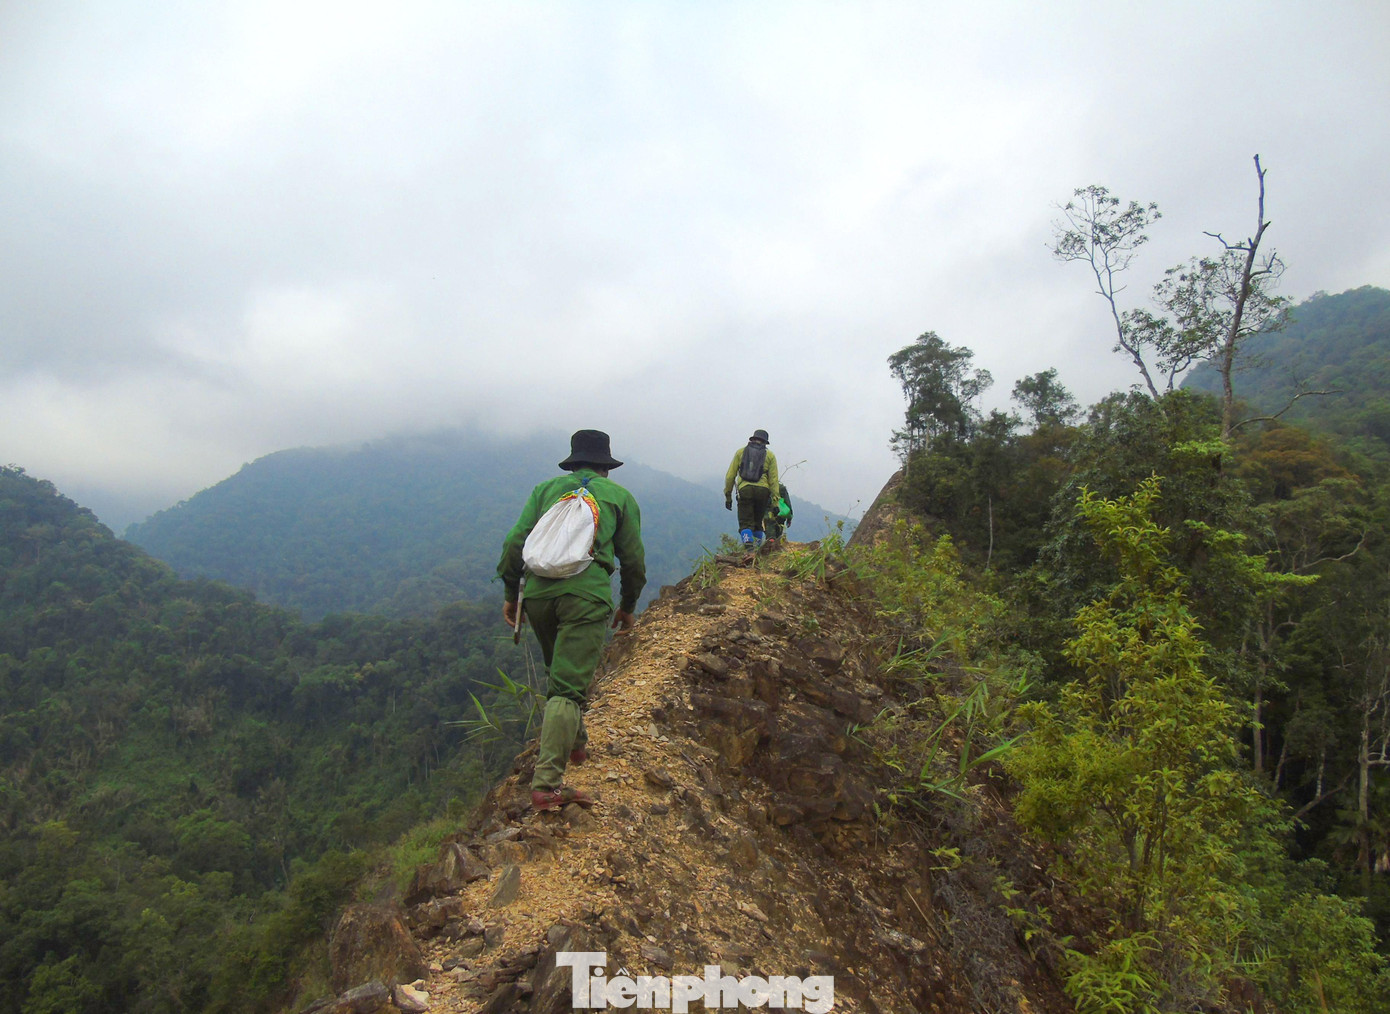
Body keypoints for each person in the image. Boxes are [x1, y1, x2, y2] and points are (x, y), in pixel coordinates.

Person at [498, 430, 646, 811]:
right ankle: (547, 785)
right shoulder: (619, 497)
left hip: (539, 595)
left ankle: (576, 746)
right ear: (606, 467)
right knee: (566, 688)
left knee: (558, 672)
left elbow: (516, 542)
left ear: (573, 461)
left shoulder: (545, 490)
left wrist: (511, 594)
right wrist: (628, 605)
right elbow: (633, 561)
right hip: (586, 596)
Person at [723, 429, 779, 548]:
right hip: (763, 491)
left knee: (745, 523)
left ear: (752, 439)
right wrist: (775, 503)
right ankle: (757, 549)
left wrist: (728, 496)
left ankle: (748, 548)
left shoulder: (740, 452)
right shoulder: (770, 455)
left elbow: (730, 476)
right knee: (758, 523)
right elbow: (773, 481)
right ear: (765, 442)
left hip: (745, 490)